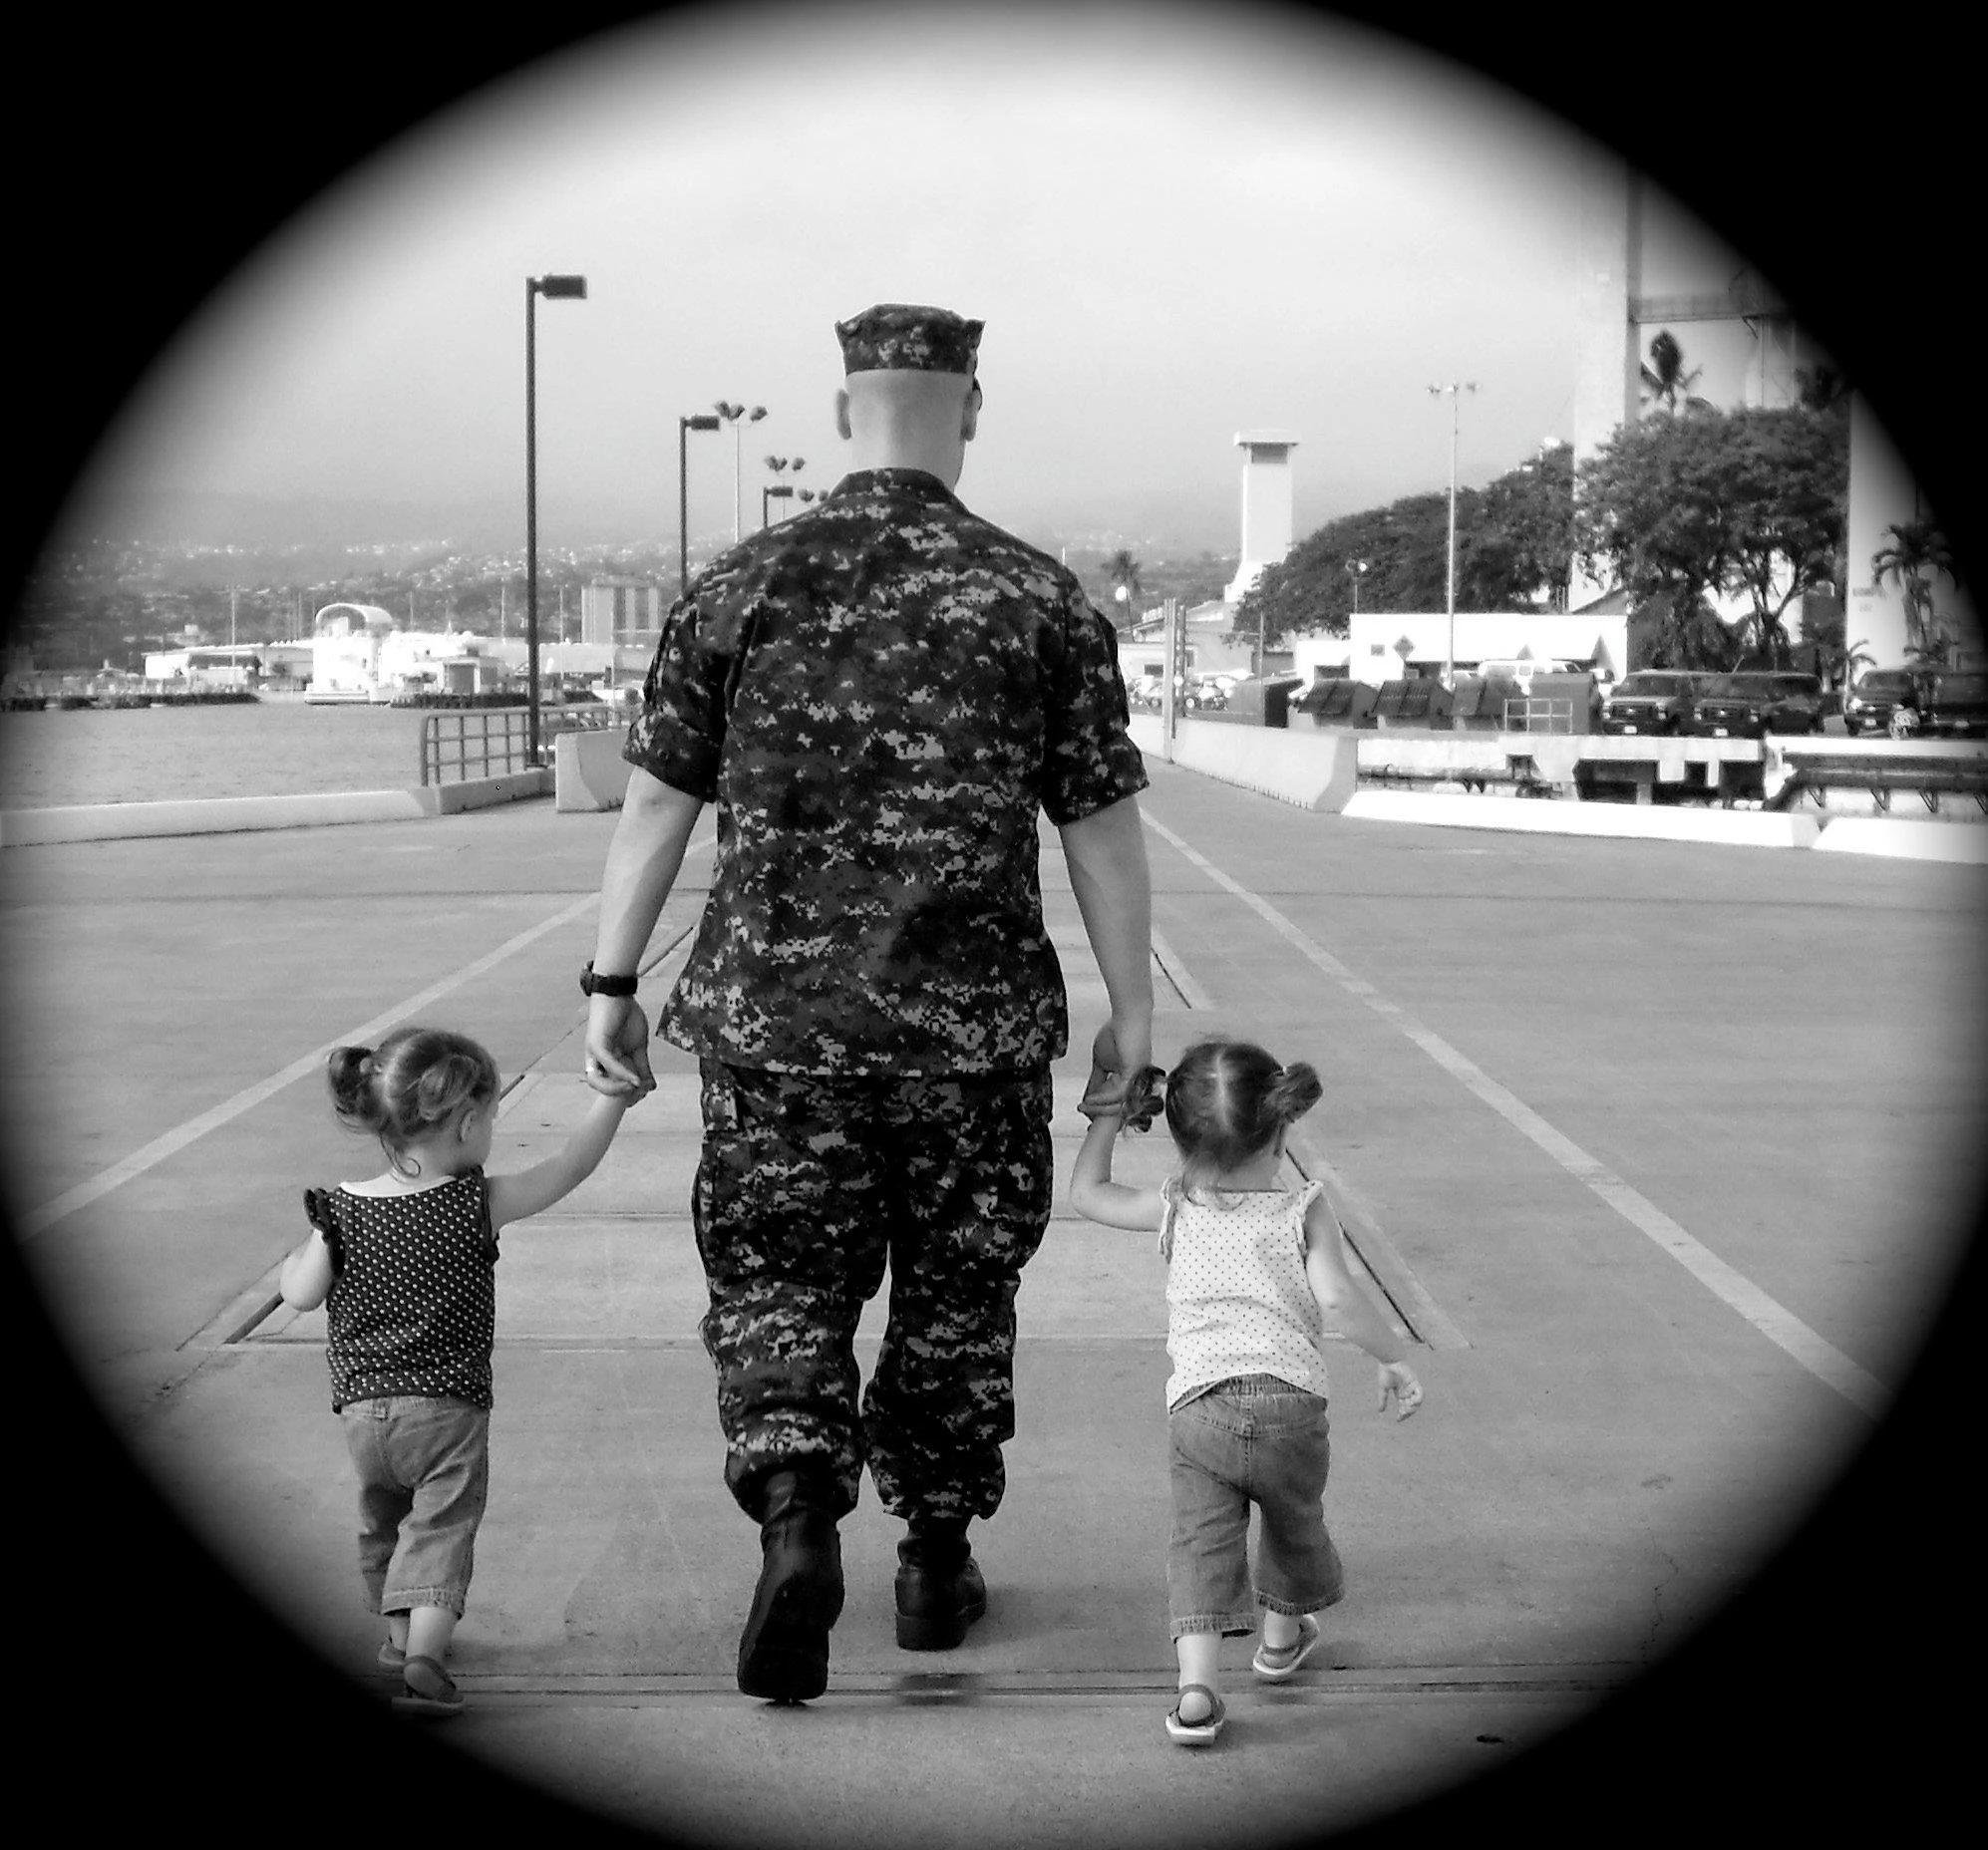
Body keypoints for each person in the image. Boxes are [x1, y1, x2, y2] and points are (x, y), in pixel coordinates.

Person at [582, 302, 1155, 1704]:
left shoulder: (740, 584)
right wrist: (1130, 1012)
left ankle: (793, 1512)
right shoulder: (1039, 597)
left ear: (845, 411)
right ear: (970, 406)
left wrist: (610, 980)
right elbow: (1098, 824)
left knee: (779, 1283)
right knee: (955, 1300)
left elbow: (657, 800)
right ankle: (931, 1559)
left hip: (777, 1037)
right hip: (972, 1043)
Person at [1068, 1038, 1424, 1746]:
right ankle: (1279, 1640)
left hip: (1199, 1409)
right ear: (1282, 1127)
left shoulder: (1176, 1205)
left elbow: (1087, 1194)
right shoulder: (1304, 1210)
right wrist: (1394, 1358)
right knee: (1294, 1522)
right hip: (1291, 1405)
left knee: (1201, 1543)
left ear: (1176, 1136)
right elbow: (1341, 1303)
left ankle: (1196, 1689)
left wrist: (1109, 1113)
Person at [280, 1025, 644, 1717]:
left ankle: (397, 1639)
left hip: (363, 1414)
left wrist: (289, 1266)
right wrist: (611, 1103)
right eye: (493, 1120)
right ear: (468, 1121)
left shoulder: (344, 1211)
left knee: (384, 1518)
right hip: (447, 1410)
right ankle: (424, 1655)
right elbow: (568, 1168)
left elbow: (300, 1294)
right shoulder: (473, 1203)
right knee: (442, 1528)